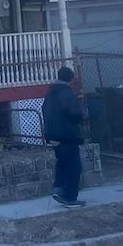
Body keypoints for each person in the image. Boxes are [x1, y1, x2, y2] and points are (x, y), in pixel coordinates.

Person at [42, 66, 85, 207]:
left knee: (62, 162)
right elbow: (75, 114)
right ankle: (70, 197)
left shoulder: (51, 92)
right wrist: (82, 116)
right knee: (74, 166)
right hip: (66, 135)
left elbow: (44, 109)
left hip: (52, 135)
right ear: (70, 79)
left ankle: (58, 189)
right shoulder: (66, 93)